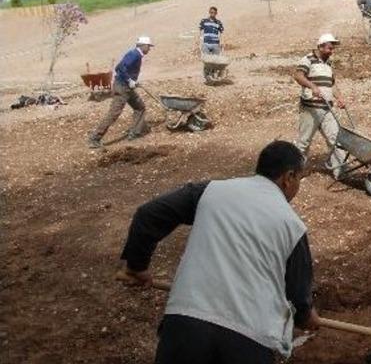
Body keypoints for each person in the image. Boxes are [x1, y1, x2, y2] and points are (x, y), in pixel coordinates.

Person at [117, 140, 321, 363]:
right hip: (248, 340)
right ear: (288, 177)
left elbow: (148, 215)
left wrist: (137, 267)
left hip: (186, 325)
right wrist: (306, 316)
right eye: (299, 178)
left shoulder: (211, 192)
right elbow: (298, 293)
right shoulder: (292, 226)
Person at [292, 34, 347, 179]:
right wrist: (313, 87)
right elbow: (298, 76)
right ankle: (296, 172)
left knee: (335, 138)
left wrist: (339, 97)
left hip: (327, 108)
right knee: (304, 141)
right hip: (310, 108)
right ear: (321, 46)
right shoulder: (308, 59)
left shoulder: (328, 64)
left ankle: (340, 170)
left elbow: (332, 84)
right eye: (329, 48)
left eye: (332, 48)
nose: (331, 51)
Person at [88, 36, 154, 148]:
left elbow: (120, 67)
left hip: (127, 87)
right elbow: (120, 68)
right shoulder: (135, 55)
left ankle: (135, 132)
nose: (149, 49)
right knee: (114, 113)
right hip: (122, 88)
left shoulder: (135, 54)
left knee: (140, 107)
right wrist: (129, 80)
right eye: (148, 46)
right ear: (143, 46)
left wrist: (132, 81)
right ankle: (95, 138)